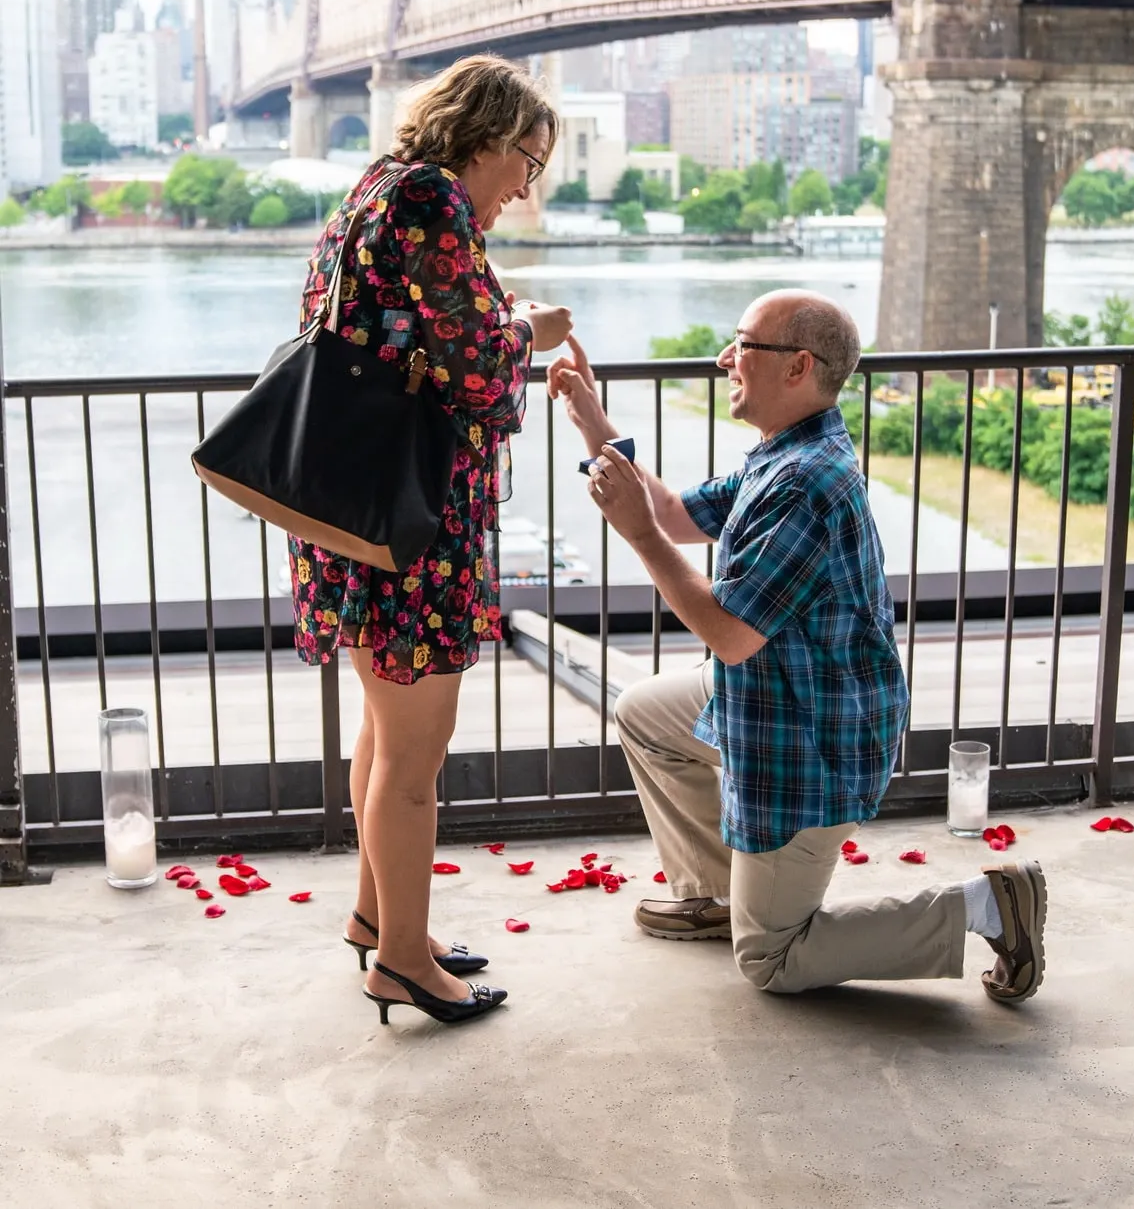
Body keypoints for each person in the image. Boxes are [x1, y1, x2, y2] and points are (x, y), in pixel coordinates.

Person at [547, 293, 1047, 1004]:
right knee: (644, 713)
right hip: (776, 697)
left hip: (811, 740)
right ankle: (720, 894)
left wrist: (640, 539)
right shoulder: (784, 451)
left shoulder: (806, 483)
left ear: (798, 366)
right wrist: (595, 424)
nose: (725, 358)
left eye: (742, 343)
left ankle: (987, 904)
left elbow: (727, 632)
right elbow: (671, 512)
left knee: (771, 961)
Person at [290, 55, 572, 1027]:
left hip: (361, 514)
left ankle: (381, 920)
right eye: (527, 162)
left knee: (384, 733)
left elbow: (404, 340)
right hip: (413, 529)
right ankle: (402, 962)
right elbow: (474, 370)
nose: (525, 188)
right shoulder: (430, 200)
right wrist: (529, 329)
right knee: (417, 757)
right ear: (486, 137)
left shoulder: (375, 187)